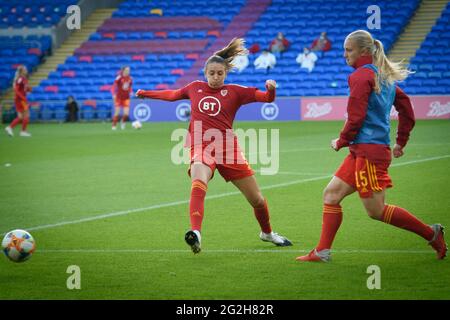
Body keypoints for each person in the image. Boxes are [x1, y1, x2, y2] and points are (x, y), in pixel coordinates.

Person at [297, 30, 447, 262]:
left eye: (349, 50)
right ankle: (322, 251)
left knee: (376, 210)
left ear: (364, 51)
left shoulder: (360, 77)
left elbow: (355, 118)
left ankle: (431, 233)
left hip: (368, 152)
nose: (344, 54)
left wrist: (341, 140)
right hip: (365, 151)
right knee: (331, 194)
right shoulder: (384, 77)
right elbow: (407, 111)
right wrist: (401, 141)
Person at [136, 38, 292, 254]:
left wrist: (271, 90)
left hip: (229, 150)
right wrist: (146, 93)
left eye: (220, 73)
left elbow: (266, 98)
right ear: (205, 73)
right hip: (201, 145)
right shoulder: (194, 88)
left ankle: (267, 233)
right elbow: (172, 95)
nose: (216, 77)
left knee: (257, 200)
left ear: (226, 73)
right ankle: (196, 233)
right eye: (212, 73)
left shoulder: (236, 91)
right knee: (198, 179)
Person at [5, 65, 32, 137]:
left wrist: (28, 89)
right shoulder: (20, 79)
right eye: (25, 69)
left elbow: (23, 89)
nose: (26, 70)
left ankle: (10, 128)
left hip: (19, 99)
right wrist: (23, 97)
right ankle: (23, 131)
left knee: (20, 117)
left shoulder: (23, 79)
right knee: (26, 115)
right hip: (21, 100)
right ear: (22, 71)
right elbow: (16, 90)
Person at [111, 66, 132, 130]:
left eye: (129, 70)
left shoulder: (130, 78)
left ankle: (123, 122)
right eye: (127, 70)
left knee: (126, 113)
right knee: (117, 112)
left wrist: (131, 92)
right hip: (119, 97)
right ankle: (114, 125)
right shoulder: (119, 78)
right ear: (123, 70)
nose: (128, 71)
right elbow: (113, 87)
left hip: (126, 98)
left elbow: (129, 87)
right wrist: (113, 94)